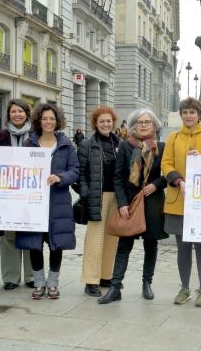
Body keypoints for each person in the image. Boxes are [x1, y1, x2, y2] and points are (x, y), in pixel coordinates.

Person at [98, 109, 169, 304]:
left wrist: (156, 184)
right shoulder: (125, 146)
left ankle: (147, 283)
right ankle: (115, 287)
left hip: (153, 202)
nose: (144, 125)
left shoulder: (162, 147)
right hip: (129, 202)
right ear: (134, 126)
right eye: (139, 122)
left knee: (150, 244)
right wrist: (122, 204)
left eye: (147, 122)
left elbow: (169, 172)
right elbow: (118, 178)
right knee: (124, 245)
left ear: (154, 125)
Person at [162, 97, 201, 307]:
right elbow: (166, 164)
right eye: (185, 112)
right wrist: (178, 180)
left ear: (199, 114)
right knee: (183, 247)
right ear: (181, 115)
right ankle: (185, 287)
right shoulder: (173, 137)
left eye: (192, 112)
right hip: (179, 201)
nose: (189, 116)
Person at [16, 104, 79, 299]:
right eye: (44, 119)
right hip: (34, 203)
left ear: (57, 121)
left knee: (56, 244)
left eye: (51, 118)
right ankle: (39, 283)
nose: (48, 122)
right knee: (34, 244)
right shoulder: (29, 143)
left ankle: (52, 283)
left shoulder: (66, 144)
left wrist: (60, 177)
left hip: (58, 203)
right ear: (39, 121)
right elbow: (20, 168)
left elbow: (75, 170)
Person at [77, 106, 121, 297]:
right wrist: (86, 193)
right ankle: (91, 280)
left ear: (113, 122)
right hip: (97, 196)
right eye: (102, 121)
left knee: (112, 238)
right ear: (95, 123)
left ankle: (105, 276)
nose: (105, 124)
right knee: (95, 239)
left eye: (109, 121)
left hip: (117, 197)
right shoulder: (87, 144)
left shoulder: (119, 143)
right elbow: (81, 173)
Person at [0, 99, 34, 290]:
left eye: (20, 111)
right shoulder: (0, 136)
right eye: (13, 112)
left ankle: (31, 276)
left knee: (29, 232)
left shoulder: (36, 135)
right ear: (8, 115)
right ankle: (11, 277)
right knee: (8, 235)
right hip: (7, 192)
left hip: (30, 192)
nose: (17, 115)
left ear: (27, 114)